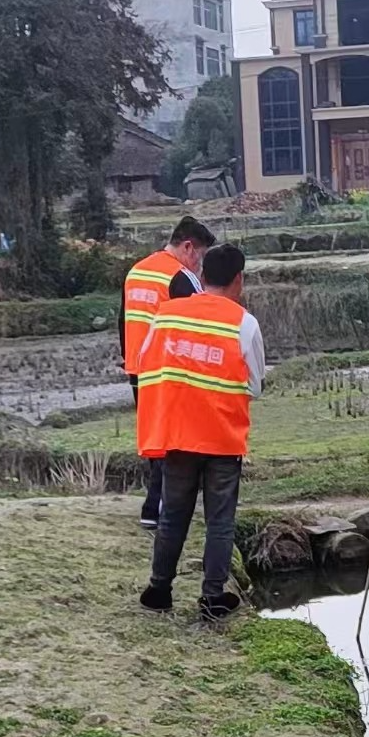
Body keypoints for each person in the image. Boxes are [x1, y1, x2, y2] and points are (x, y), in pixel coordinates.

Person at [136, 243, 265, 621]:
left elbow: (146, 362)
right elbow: (255, 384)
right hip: (222, 439)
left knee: (173, 515)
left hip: (177, 434)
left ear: (202, 274)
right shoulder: (244, 322)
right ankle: (212, 597)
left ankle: (159, 590)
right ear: (238, 279)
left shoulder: (166, 316)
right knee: (220, 520)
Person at [120, 215, 216, 528]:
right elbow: (202, 324)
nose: (199, 265)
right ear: (188, 246)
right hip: (169, 371)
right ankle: (158, 509)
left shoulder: (136, 271)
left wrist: (127, 359)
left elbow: (124, 321)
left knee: (154, 439)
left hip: (138, 367)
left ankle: (155, 506)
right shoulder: (180, 277)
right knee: (173, 441)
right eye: (199, 256)